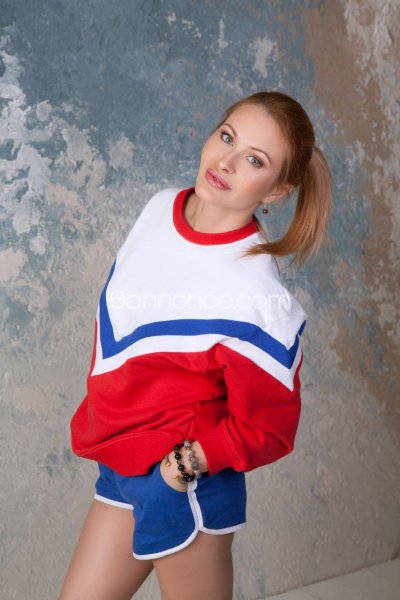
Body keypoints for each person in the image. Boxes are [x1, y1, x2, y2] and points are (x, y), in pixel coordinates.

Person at [58, 90, 332, 600]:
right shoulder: (160, 208)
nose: (226, 162)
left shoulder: (258, 296)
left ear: (277, 190)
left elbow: (270, 427)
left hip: (181, 484)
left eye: (255, 160)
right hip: (120, 464)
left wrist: (182, 468)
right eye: (227, 137)